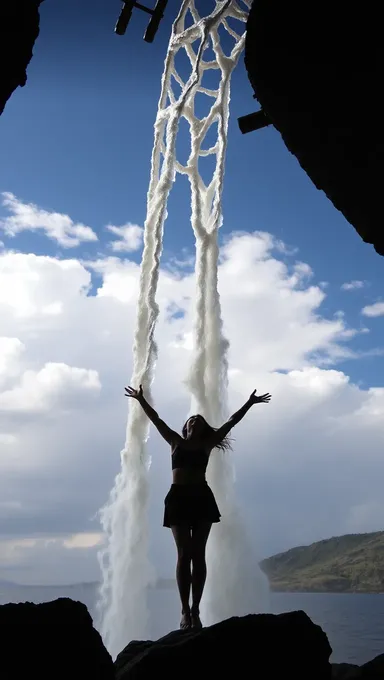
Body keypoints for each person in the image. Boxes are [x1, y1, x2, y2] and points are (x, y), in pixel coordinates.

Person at [125, 383, 271, 630]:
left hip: (201, 497)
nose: (194, 423)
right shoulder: (174, 441)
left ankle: (196, 610)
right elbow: (156, 419)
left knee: (199, 554)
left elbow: (231, 422)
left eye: (199, 422)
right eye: (191, 421)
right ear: (185, 427)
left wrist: (249, 403)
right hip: (178, 498)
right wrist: (140, 400)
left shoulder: (207, 445)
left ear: (203, 429)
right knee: (184, 554)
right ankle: (184, 612)